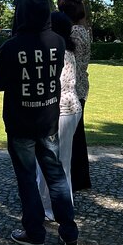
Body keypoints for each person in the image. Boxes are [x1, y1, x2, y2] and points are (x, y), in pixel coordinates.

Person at [0, 0, 79, 245]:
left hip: (20, 122)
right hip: (48, 119)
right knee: (56, 176)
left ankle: (34, 233)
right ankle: (70, 232)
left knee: (27, 179)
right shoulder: (58, 42)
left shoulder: (11, 47)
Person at [37, 12, 83, 222]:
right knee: (63, 162)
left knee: (49, 163)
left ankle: (49, 208)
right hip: (72, 108)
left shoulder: (55, 52)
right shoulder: (69, 51)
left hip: (59, 111)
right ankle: (62, 205)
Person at [57, 0, 92, 191]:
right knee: (78, 135)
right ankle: (80, 177)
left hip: (72, 85)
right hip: (81, 84)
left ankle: (75, 178)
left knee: (74, 137)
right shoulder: (84, 31)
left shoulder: (72, 32)